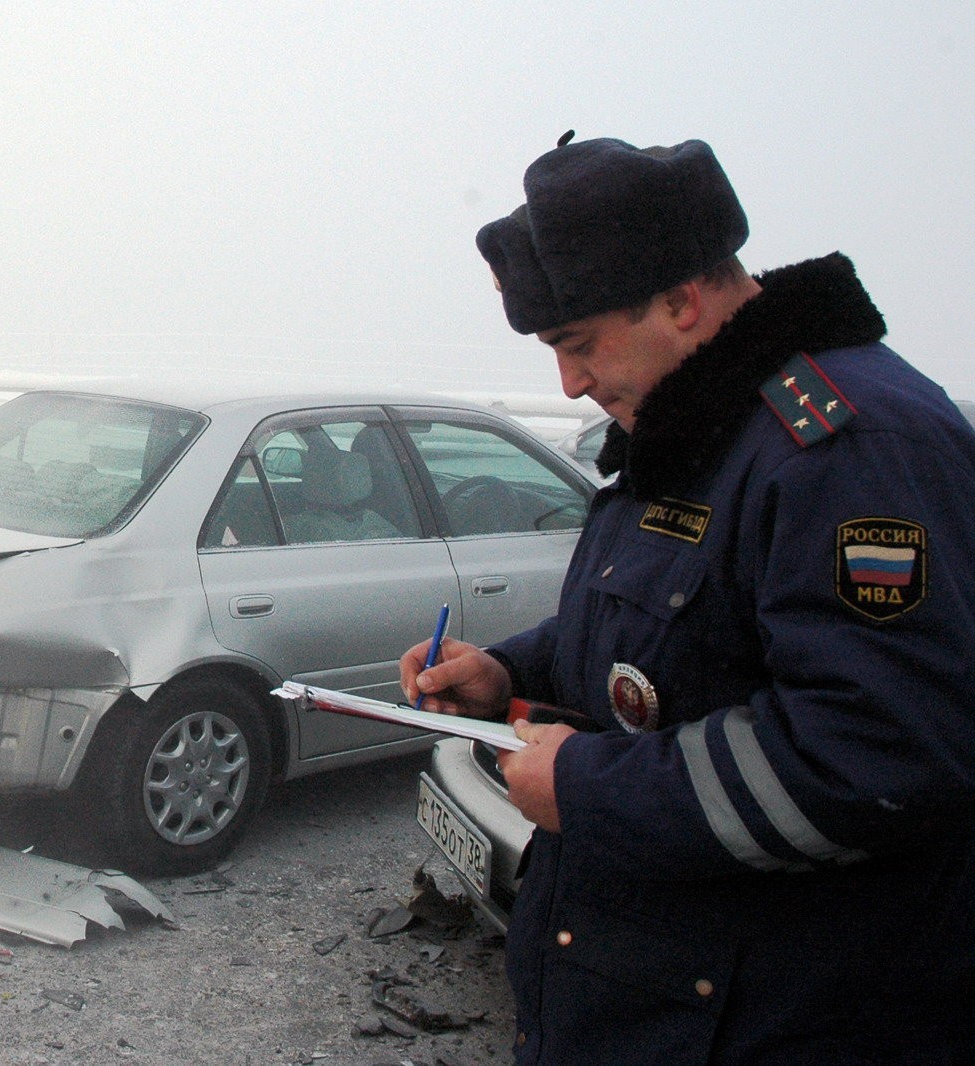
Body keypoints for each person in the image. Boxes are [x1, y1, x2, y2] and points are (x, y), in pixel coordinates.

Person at [401, 136, 975, 1063]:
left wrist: (585, 786)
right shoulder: (699, 422)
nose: (570, 384)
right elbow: (660, 631)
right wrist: (505, 670)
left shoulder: (849, 446)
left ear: (682, 300)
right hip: (652, 998)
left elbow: (879, 750)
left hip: (783, 1018)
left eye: (578, 345)